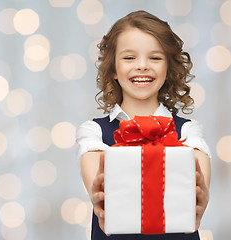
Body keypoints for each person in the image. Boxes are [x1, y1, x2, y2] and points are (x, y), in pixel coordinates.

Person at [76, 10, 211, 240]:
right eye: (129, 58)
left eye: (155, 58)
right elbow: (98, 186)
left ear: (168, 69)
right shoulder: (93, 132)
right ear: (113, 70)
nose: (142, 66)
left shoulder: (188, 130)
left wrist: (199, 192)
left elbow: (197, 187)